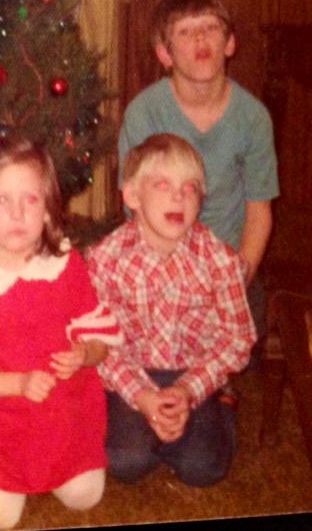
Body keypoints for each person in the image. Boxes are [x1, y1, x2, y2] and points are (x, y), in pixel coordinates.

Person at [0, 136, 121, 530]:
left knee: (86, 495)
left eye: (30, 199)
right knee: (1, 516)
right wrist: (19, 383)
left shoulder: (66, 266)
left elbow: (101, 341)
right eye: (1, 201)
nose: (17, 213)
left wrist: (85, 352)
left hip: (62, 420)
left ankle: (53, 468)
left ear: (47, 211)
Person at [88, 133, 256, 486]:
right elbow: (99, 344)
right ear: (133, 196)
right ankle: (154, 435)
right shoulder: (105, 259)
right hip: (133, 374)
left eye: (190, 188)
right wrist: (142, 396)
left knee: (204, 469)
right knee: (124, 463)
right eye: (162, 185)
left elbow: (238, 339)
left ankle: (223, 408)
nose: (178, 196)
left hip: (194, 373)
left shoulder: (219, 259)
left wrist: (188, 390)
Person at [118, 0, 278, 291]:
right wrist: (164, 280)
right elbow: (135, 208)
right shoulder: (143, 113)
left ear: (229, 43)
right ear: (165, 54)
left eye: (211, 28)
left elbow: (259, 213)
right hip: (159, 262)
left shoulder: (253, 117)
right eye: (185, 32)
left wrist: (237, 280)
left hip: (227, 265)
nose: (200, 38)